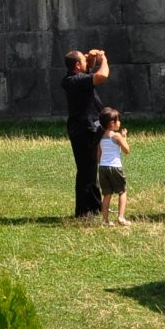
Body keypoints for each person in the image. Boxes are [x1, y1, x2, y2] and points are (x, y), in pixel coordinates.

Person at [62, 47, 110, 220]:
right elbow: (102, 76)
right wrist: (103, 59)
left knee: (91, 170)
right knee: (86, 172)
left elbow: (88, 71)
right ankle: (83, 212)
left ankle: (95, 207)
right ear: (77, 65)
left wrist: (91, 59)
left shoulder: (77, 77)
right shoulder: (74, 80)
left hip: (89, 127)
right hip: (83, 130)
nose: (86, 62)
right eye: (83, 60)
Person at [97, 106, 131, 225]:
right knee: (122, 191)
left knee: (107, 194)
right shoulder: (116, 136)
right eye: (118, 120)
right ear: (112, 123)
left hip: (102, 168)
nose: (120, 122)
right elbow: (127, 150)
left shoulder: (100, 137)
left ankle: (105, 220)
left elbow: (99, 155)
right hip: (115, 167)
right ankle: (121, 217)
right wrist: (124, 137)